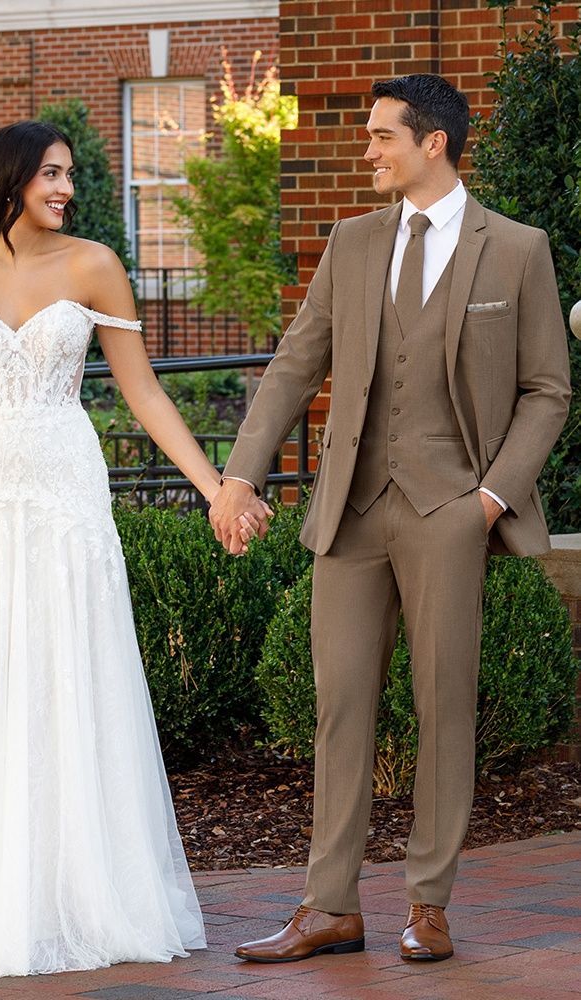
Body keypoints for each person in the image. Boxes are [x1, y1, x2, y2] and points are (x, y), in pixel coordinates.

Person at [0, 120, 262, 978]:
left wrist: (213, 485)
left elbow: (143, 392)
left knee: (68, 671)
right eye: (50, 174)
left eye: (69, 175)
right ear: (10, 178)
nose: (66, 188)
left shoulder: (93, 265)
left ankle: (73, 890)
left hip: (67, 500)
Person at [210, 74, 571, 963]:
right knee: (339, 710)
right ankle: (328, 905)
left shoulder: (517, 249)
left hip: (451, 509)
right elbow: (297, 364)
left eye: (381, 136)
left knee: (443, 706)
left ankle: (430, 905)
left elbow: (548, 391)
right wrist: (238, 477)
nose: (367, 151)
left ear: (433, 143)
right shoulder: (353, 240)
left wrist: (487, 499)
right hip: (353, 511)